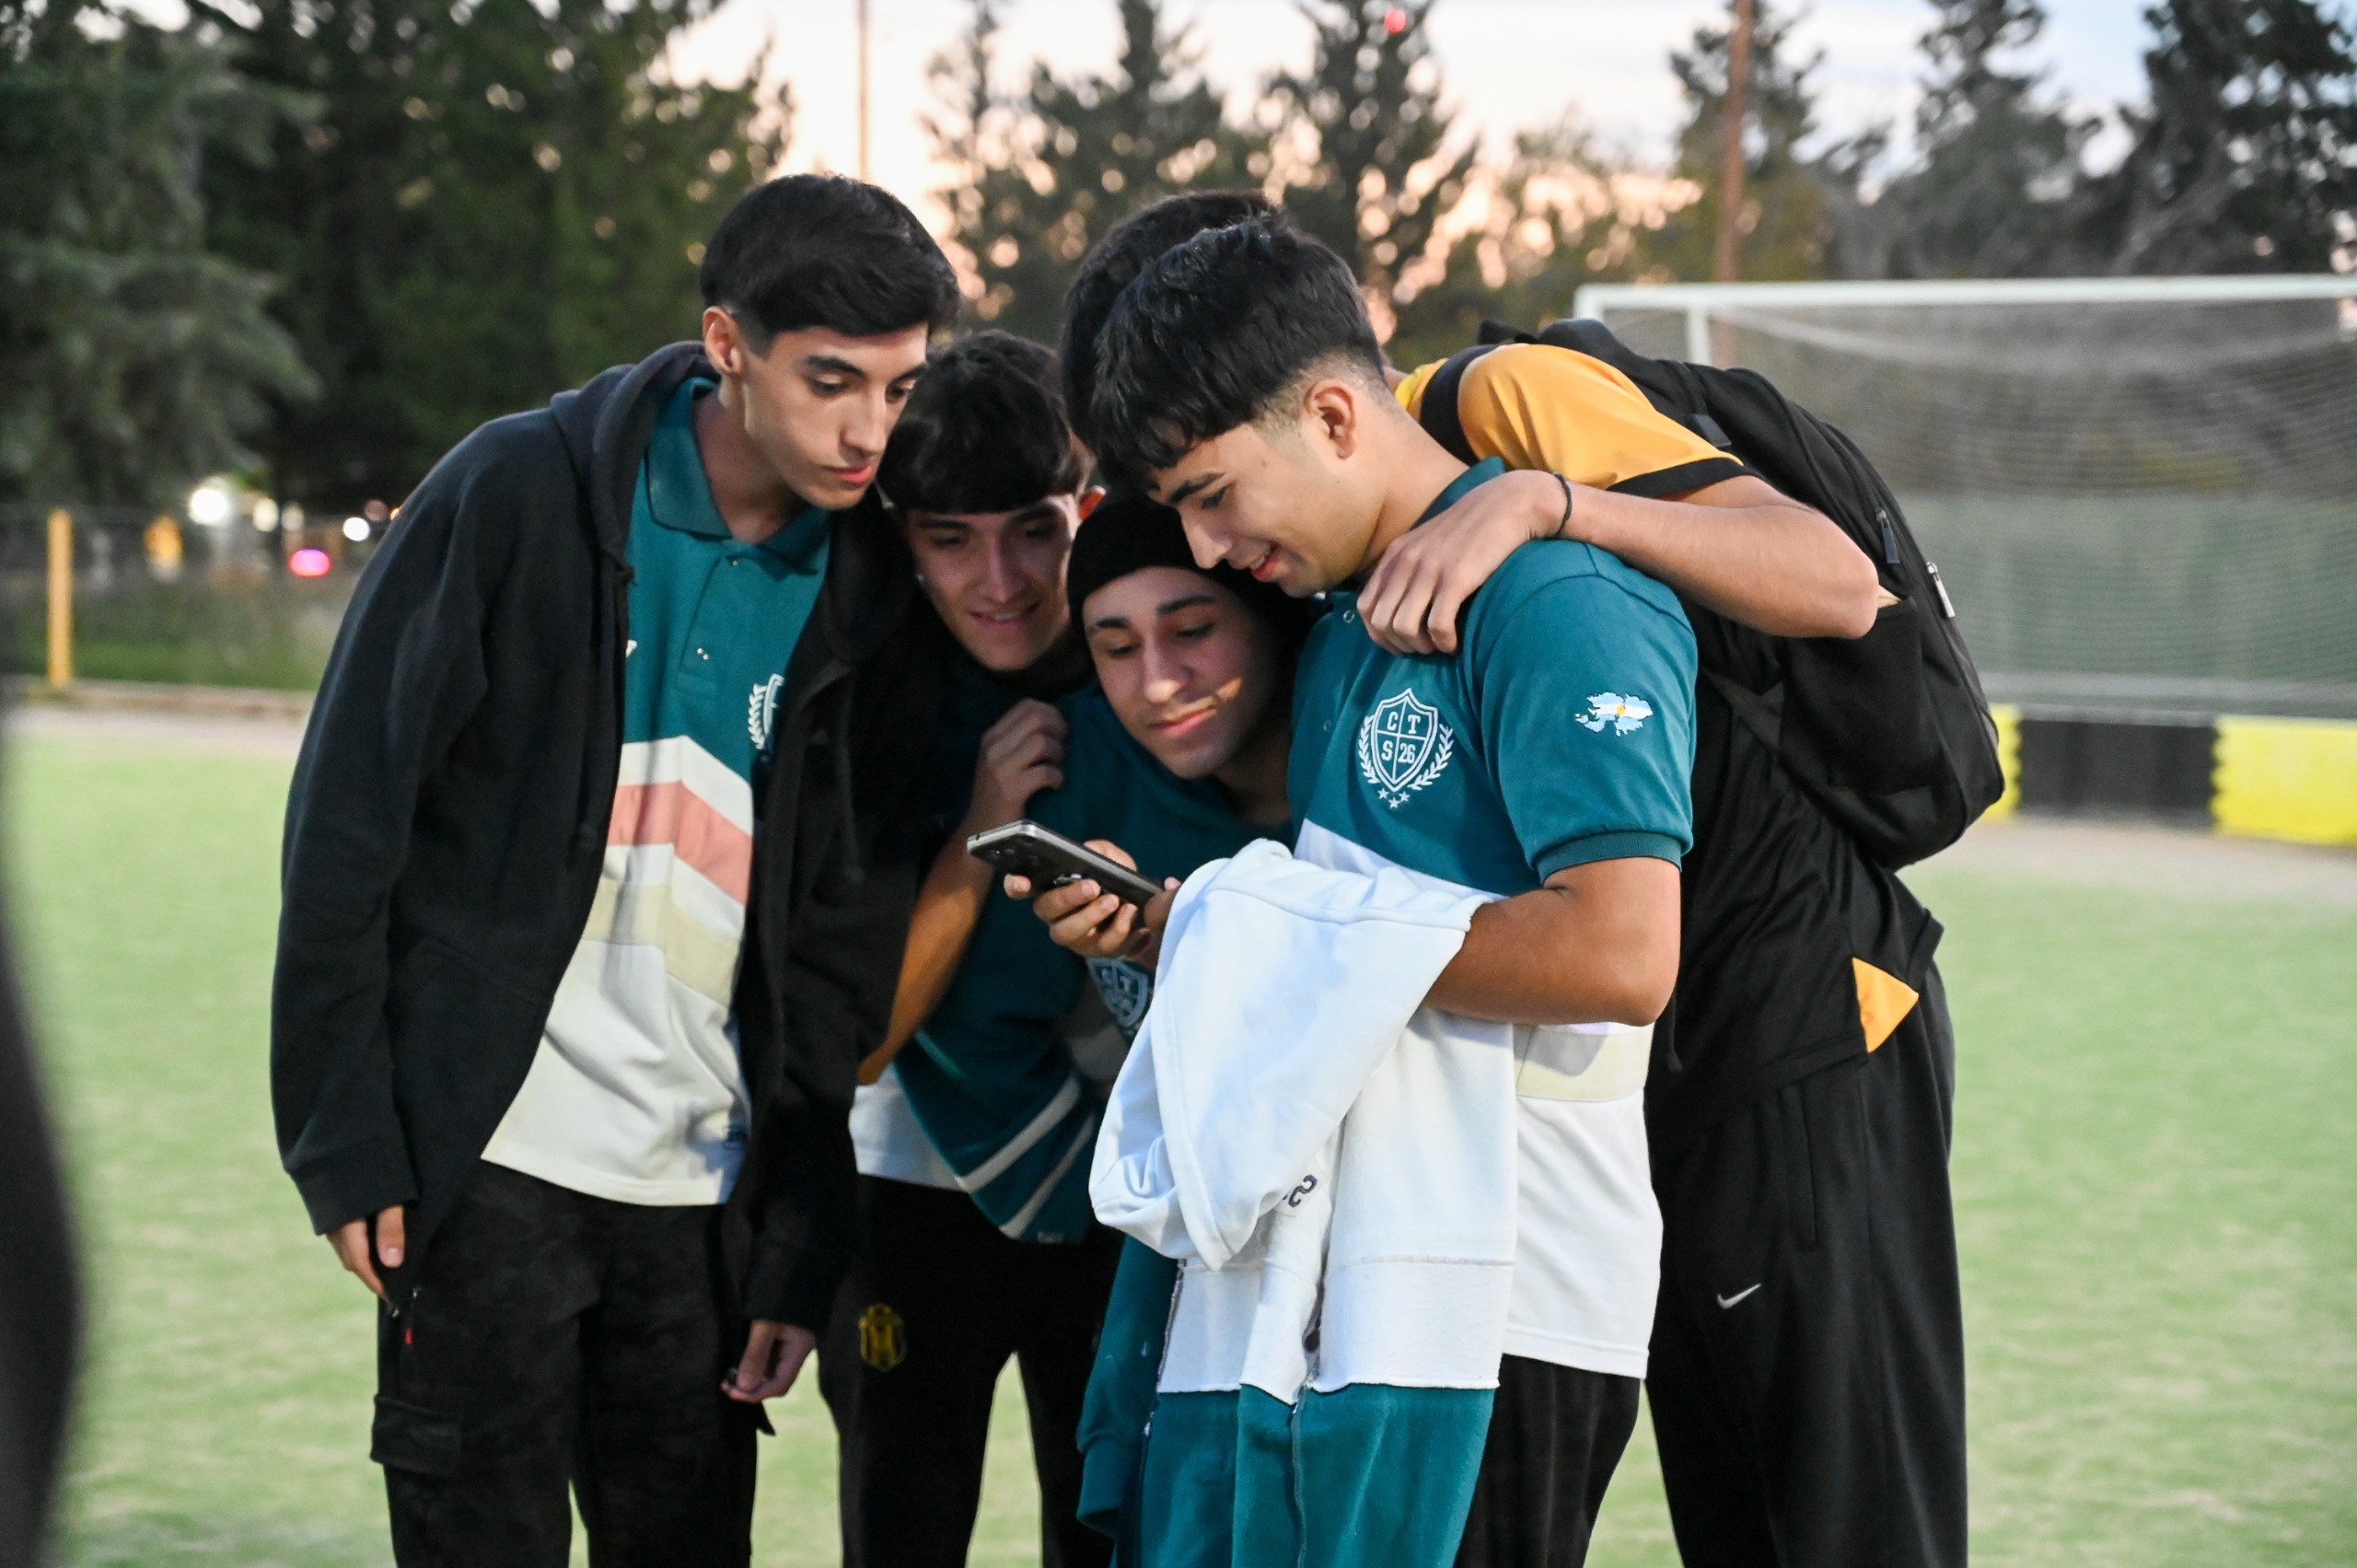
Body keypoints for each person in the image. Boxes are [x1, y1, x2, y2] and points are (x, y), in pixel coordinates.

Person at [270, 174, 959, 1568]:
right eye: (831, 382)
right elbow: (349, 814)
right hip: (487, 1164)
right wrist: (343, 1137)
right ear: (728, 345)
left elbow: (837, 939)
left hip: (704, 1202)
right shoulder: (517, 490)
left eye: (898, 389)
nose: (868, 432)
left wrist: (798, 1230)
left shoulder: (874, 588)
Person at [1063, 215, 1703, 1567]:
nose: (1206, 544)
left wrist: (1252, 934)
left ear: (1336, 416)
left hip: (1500, 1301)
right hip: (1332, 1286)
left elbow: (1623, 953)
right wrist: (1193, 934)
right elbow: (1339, 949)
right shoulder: (1347, 631)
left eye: (1214, 495)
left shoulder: (1558, 601)